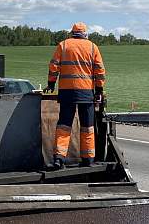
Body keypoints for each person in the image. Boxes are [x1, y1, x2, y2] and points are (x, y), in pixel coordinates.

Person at [44, 22, 106, 169]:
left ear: (72, 33)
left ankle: (59, 158)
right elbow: (100, 71)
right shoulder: (92, 47)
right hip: (86, 93)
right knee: (87, 127)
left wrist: (51, 84)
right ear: (85, 34)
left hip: (67, 92)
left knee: (64, 126)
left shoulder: (63, 45)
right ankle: (88, 159)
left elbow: (53, 66)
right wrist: (99, 90)